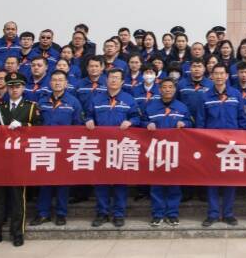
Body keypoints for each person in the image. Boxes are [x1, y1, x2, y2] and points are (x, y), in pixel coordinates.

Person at [0, 72, 42, 247]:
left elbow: (40, 129)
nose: (14, 89)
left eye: (17, 86)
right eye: (11, 86)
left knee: (17, 199)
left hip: (19, 159)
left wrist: (24, 126)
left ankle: (17, 233)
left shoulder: (31, 107)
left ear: (23, 88)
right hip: (0, 159)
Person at [85, 67, 141, 227]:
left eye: (117, 77)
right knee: (101, 181)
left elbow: (137, 117)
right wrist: (88, 120)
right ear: (106, 80)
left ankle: (119, 214)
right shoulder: (96, 99)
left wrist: (131, 122)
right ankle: (102, 213)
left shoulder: (129, 99)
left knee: (120, 182)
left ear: (122, 81)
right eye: (111, 77)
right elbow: (88, 115)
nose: (114, 80)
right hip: (101, 147)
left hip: (120, 147)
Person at [31, 70, 83, 227]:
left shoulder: (73, 102)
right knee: (44, 182)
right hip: (45, 147)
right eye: (54, 80)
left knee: (63, 182)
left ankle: (61, 213)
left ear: (66, 83)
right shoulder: (42, 102)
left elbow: (78, 126)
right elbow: (36, 123)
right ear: (50, 83)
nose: (57, 82)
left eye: (61, 80)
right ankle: (43, 213)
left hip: (64, 149)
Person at [199, 63, 246, 227]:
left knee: (230, 179)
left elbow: (242, 119)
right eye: (216, 74)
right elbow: (201, 122)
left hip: (231, 145)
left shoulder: (235, 95)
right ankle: (212, 214)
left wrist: (240, 138)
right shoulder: (205, 96)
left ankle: (228, 214)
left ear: (227, 76)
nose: (219, 76)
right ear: (211, 76)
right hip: (211, 145)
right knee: (211, 180)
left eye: (222, 73)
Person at [145, 77, 192, 226]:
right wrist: (147, 124)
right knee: (156, 184)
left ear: (175, 89)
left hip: (175, 152)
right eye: (164, 87)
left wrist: (185, 123)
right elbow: (142, 121)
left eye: (170, 87)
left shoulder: (182, 107)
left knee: (174, 184)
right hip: (156, 151)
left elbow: (191, 122)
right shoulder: (151, 107)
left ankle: (172, 214)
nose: (167, 89)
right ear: (160, 90)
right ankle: (157, 214)